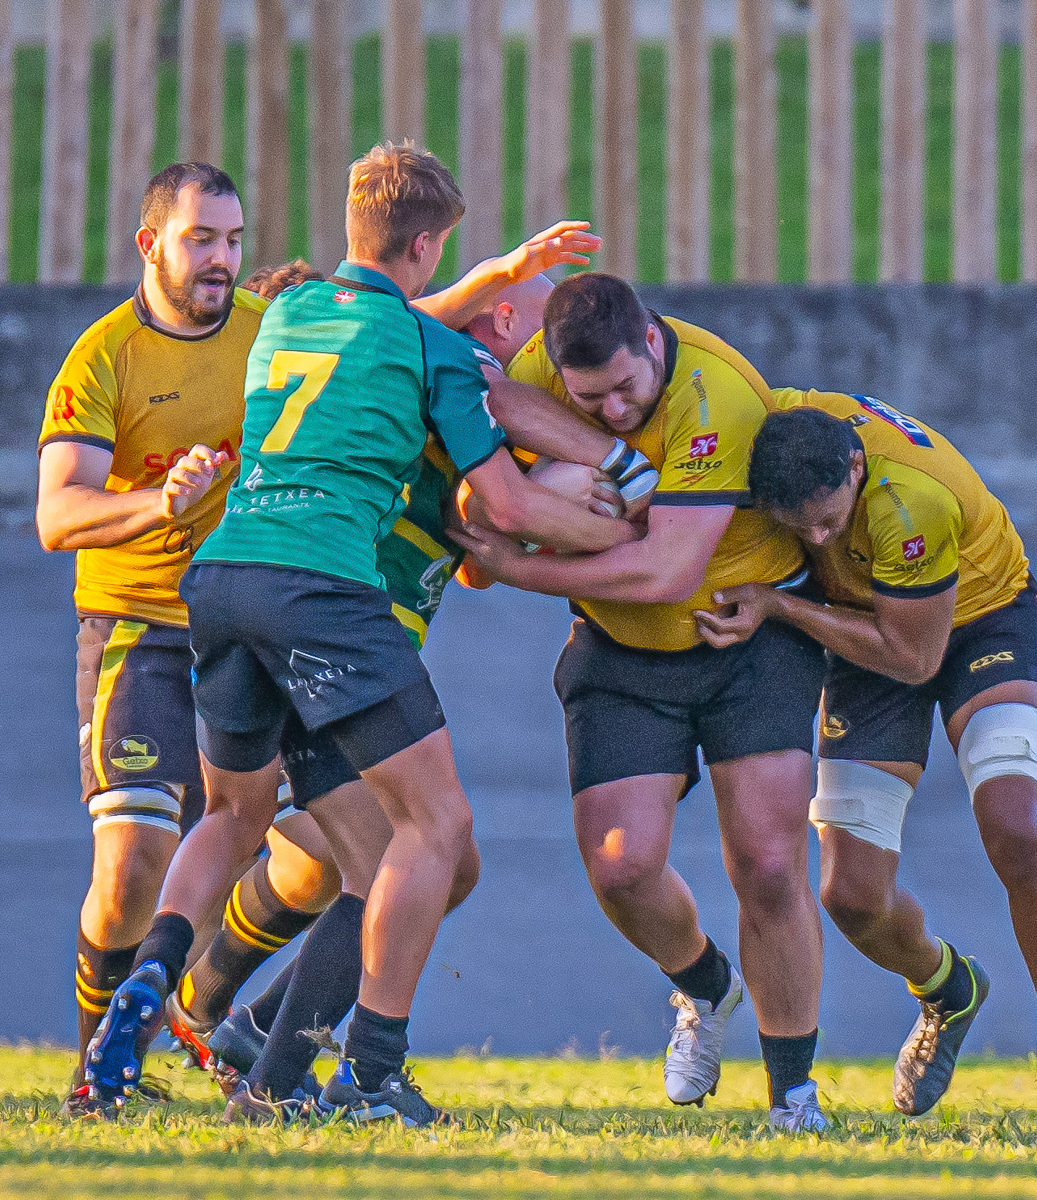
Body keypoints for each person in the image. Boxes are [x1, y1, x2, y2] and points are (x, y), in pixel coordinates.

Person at [81, 142, 636, 1125]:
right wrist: (630, 504)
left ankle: (147, 992)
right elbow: (501, 501)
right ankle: (366, 1075)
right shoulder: (433, 355)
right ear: (426, 248)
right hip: (324, 595)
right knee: (440, 836)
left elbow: (399, 318)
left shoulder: (288, 316)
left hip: (222, 578)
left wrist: (495, 277)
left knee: (236, 818)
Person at [451, 274, 832, 1132]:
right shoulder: (539, 384)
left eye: (627, 388)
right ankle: (706, 988)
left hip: (747, 636)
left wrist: (524, 565)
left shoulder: (715, 392)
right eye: (593, 399)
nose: (616, 408)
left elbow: (667, 570)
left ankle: (793, 1096)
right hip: (621, 646)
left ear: (653, 343)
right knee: (621, 868)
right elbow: (476, 528)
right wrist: (580, 483)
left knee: (770, 866)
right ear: (556, 367)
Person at [693, 388, 1037, 1136]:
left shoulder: (907, 502)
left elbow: (915, 657)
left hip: (977, 623)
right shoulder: (777, 422)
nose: (819, 538)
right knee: (851, 895)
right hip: (869, 626)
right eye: (802, 528)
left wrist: (781, 604)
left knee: (1017, 830)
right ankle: (950, 989)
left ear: (855, 465)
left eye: (831, 517)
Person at [36, 162, 328, 1115]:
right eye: (203, 239)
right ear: (150, 244)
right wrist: (159, 502)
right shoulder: (103, 358)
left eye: (235, 241)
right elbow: (58, 514)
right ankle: (99, 1076)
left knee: (325, 849)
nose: (222, 261)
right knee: (127, 873)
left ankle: (201, 1001)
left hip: (256, 622)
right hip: (140, 627)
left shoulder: (264, 333)